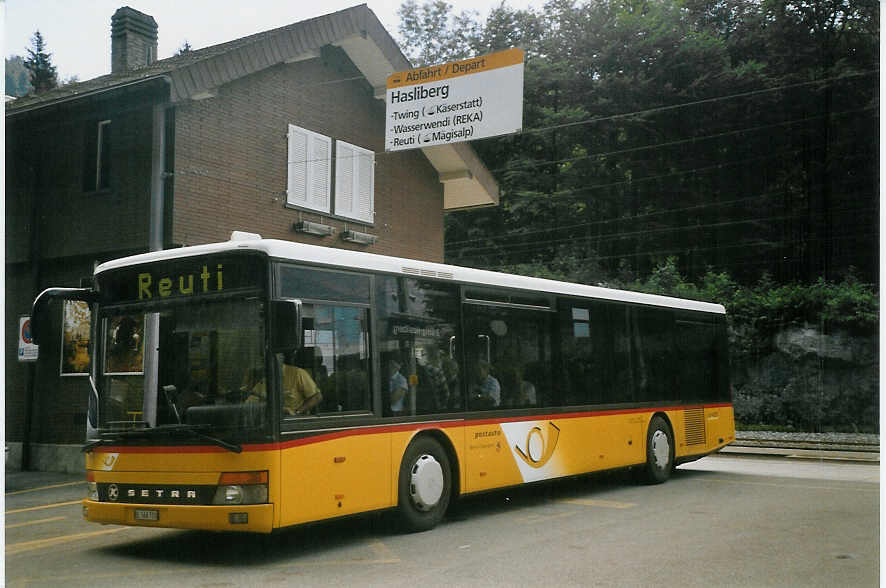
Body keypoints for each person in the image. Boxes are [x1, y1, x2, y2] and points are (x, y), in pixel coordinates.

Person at [247, 351, 323, 416]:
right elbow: (252, 398)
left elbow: (317, 397)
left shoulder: (297, 373)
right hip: (269, 419)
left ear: (280, 358)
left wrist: (297, 412)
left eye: (267, 359)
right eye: (263, 360)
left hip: (291, 420)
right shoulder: (264, 377)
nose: (264, 362)